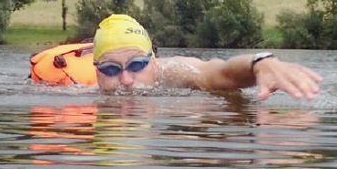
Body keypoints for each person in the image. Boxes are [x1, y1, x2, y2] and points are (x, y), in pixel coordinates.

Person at [92, 14, 322, 100]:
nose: (126, 80)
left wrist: (260, 62)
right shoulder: (69, 84)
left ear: (153, 61)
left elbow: (219, 72)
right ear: (96, 71)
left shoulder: (174, 71)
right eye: (111, 69)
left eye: (136, 65)